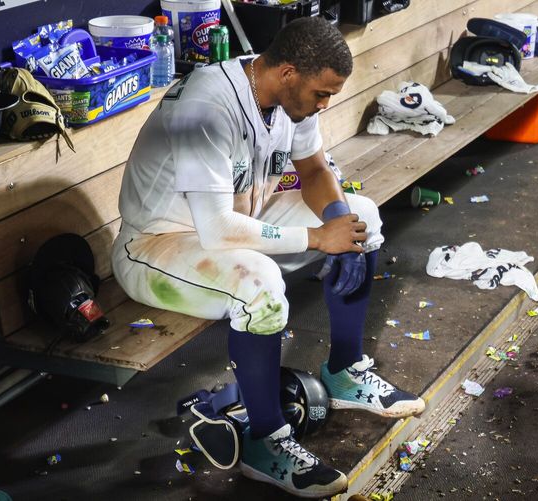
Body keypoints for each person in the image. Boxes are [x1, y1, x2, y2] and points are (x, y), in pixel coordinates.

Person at [112, 16, 425, 498]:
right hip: (158, 245)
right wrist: (320, 239)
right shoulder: (206, 107)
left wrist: (340, 222)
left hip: (242, 215)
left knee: (362, 214)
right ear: (287, 73)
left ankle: (344, 372)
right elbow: (217, 231)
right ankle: (267, 442)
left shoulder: (290, 100)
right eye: (321, 94)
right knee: (258, 282)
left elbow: (315, 167)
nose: (325, 104)